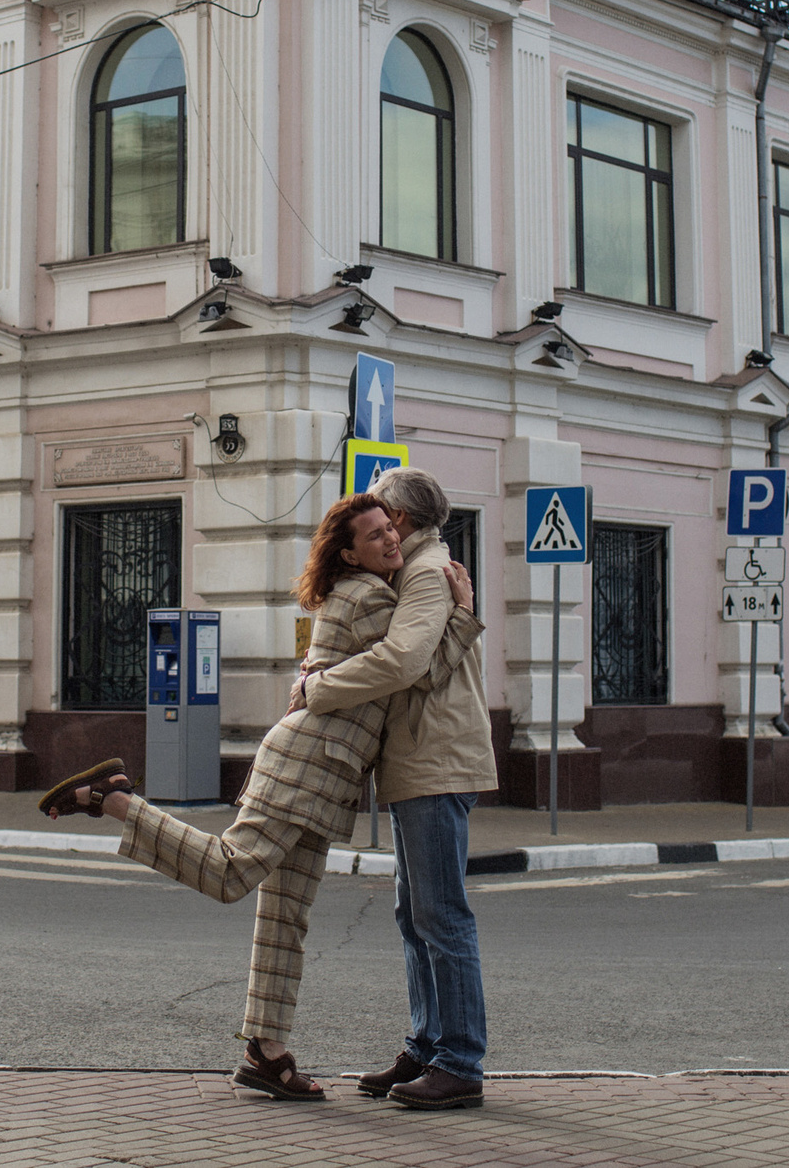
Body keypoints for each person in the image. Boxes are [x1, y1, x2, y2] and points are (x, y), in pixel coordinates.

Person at [35, 490, 478, 1101]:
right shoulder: (369, 595)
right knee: (230, 872)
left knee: (285, 916)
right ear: (349, 553)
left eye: (389, 529)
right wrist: (464, 614)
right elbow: (416, 670)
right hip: (308, 765)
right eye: (374, 535)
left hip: (325, 771)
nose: (390, 540)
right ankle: (115, 799)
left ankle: (266, 1053)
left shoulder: (361, 589)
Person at [300, 466, 496, 1111]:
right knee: (416, 916)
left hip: (437, 758)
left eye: (384, 517)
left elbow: (406, 661)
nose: (378, 526)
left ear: (402, 522)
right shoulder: (415, 571)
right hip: (421, 757)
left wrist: (317, 686)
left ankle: (460, 1062)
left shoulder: (422, 574)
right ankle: (426, 1046)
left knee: (441, 917)